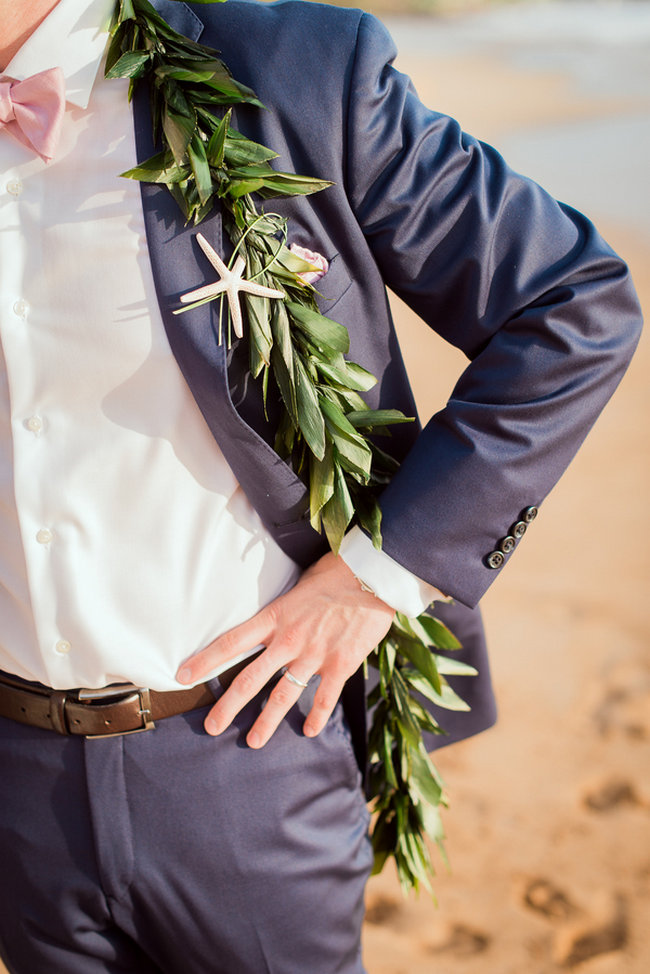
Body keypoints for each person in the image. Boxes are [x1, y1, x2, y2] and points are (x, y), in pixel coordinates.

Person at [0, 0, 642, 971]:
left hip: (241, 755)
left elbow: (568, 305)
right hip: (16, 783)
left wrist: (376, 578)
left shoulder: (291, 70)